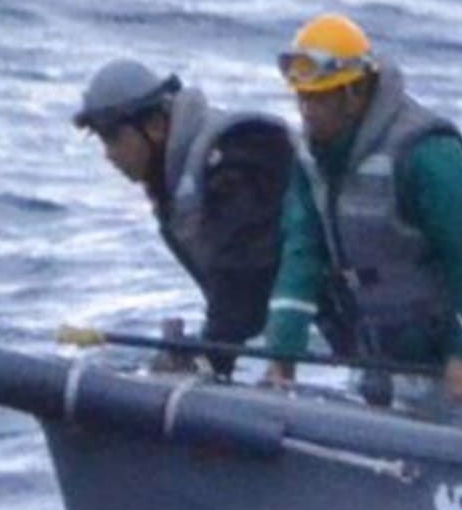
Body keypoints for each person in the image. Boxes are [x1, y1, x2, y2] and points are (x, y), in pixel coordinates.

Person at [262, 14, 462, 401]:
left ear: (354, 94)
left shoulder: (426, 152)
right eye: (302, 98)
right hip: (381, 352)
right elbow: (302, 252)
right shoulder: (309, 161)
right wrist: (283, 349)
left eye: (320, 98)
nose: (307, 111)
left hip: (455, 349)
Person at [73, 59, 297, 377]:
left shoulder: (240, 153)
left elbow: (244, 276)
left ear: (154, 125)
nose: (109, 155)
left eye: (113, 138)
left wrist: (209, 355)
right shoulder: (176, 185)